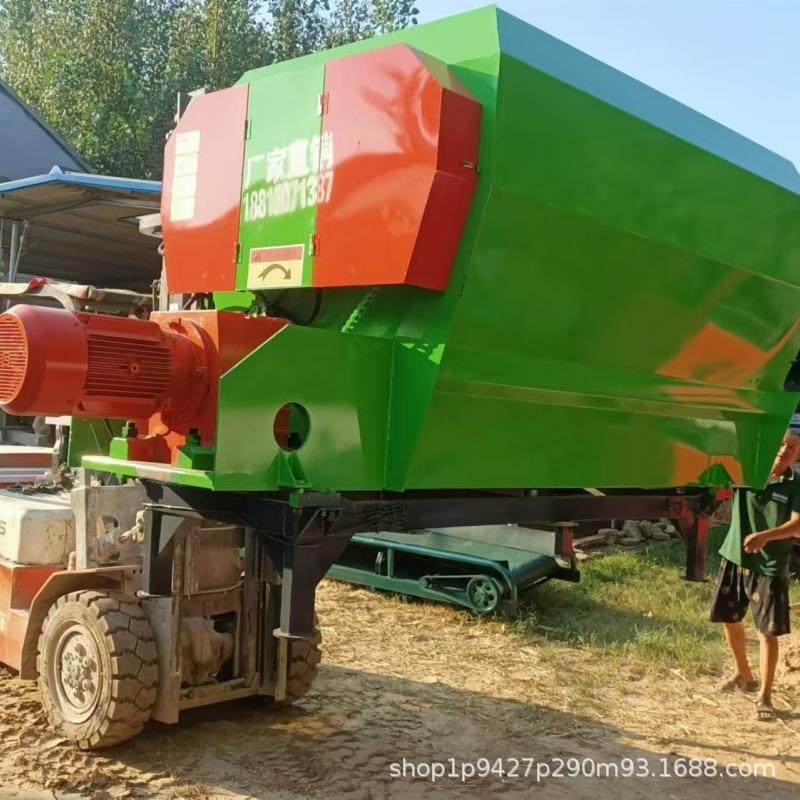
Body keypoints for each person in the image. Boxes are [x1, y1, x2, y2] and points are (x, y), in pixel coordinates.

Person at [710, 423, 800, 721]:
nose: (785, 451)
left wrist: (766, 536)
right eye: (783, 443)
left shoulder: (795, 485)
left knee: (766, 633)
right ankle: (744, 676)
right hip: (734, 556)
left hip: (770, 567)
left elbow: (798, 525)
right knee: (729, 618)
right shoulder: (748, 472)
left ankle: (765, 696)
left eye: (793, 448)